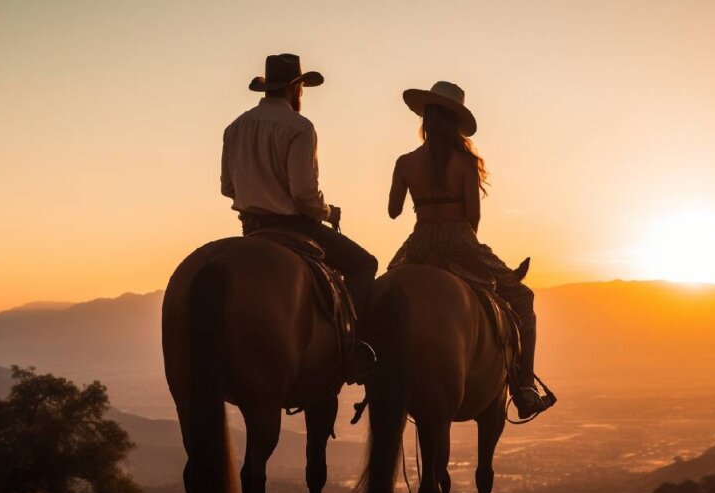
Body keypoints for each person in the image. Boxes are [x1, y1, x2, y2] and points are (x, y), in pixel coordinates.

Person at [386, 81, 550, 418]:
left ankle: (369, 367)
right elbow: (473, 217)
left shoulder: (405, 162)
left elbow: (393, 210)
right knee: (521, 297)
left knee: (381, 297)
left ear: (426, 118)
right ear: (455, 123)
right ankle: (523, 388)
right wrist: (463, 247)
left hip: (418, 241)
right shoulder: (466, 163)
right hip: (460, 239)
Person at [221, 53, 378, 383]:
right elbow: (303, 194)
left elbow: (227, 188)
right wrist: (328, 211)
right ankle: (355, 350)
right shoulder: (300, 127)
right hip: (295, 226)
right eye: (302, 89)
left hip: (250, 229)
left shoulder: (234, 127)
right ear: (295, 89)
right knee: (365, 264)